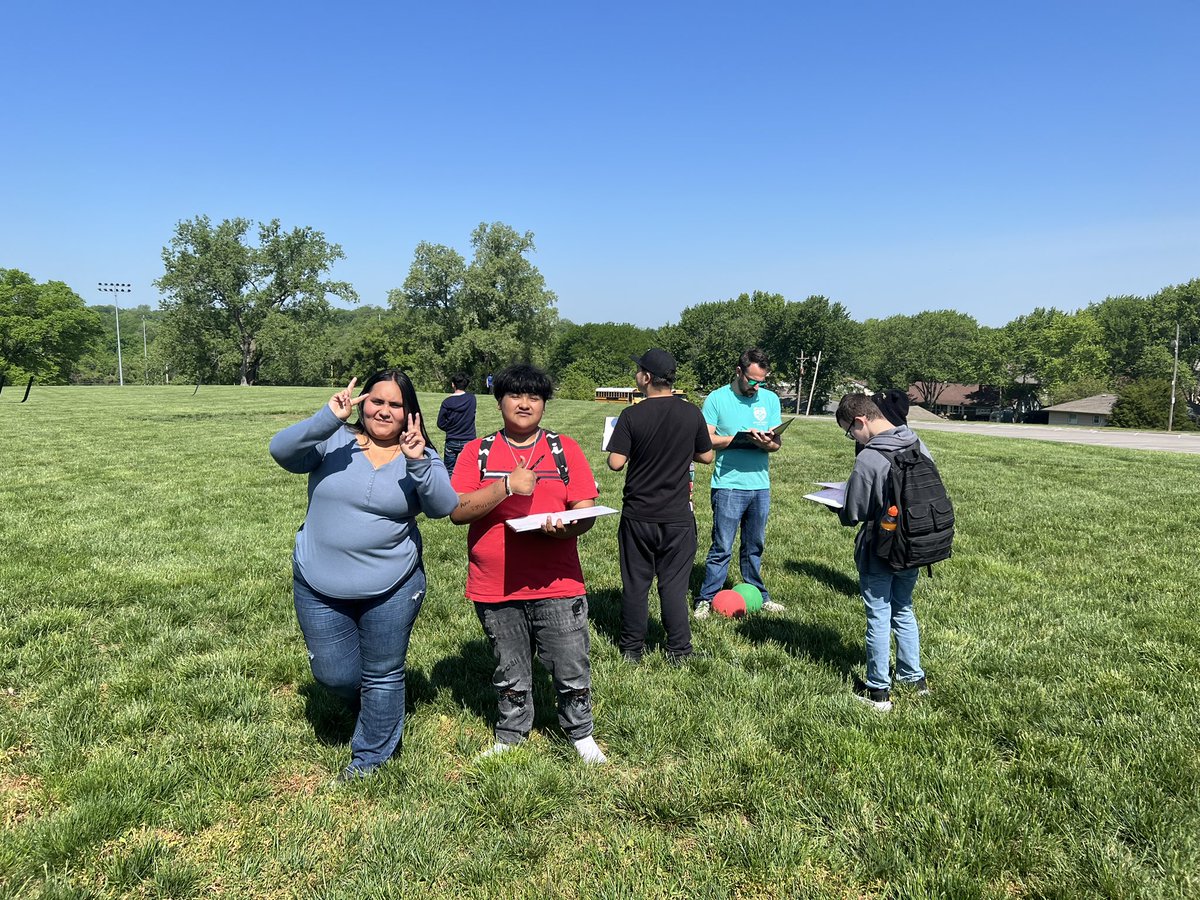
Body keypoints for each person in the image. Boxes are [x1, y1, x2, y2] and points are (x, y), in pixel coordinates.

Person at [269, 370, 459, 780]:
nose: (384, 411)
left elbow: (444, 505)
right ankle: (372, 702)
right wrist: (328, 417)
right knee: (334, 675)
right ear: (362, 403)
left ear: (410, 412)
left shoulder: (421, 455)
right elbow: (280, 451)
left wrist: (418, 461)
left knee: (384, 672)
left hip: (392, 584)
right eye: (377, 401)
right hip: (319, 581)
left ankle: (371, 758)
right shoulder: (333, 442)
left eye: (395, 404)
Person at [449, 363, 607, 763]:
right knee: (509, 666)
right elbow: (457, 510)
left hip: (558, 579)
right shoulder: (477, 451)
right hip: (495, 581)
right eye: (515, 396)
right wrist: (505, 486)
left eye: (533, 397)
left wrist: (568, 528)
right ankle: (511, 733)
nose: (524, 404)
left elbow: (585, 508)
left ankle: (581, 734)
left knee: (571, 661)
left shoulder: (564, 448)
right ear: (499, 401)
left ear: (544, 404)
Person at [606, 349, 713, 663]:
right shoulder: (691, 412)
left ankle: (631, 649)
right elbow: (707, 456)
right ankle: (679, 649)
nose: (636, 376)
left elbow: (615, 463)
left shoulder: (631, 415)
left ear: (647, 378)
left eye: (638, 371)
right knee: (674, 587)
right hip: (678, 516)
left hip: (638, 515)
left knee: (636, 585)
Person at [833, 393, 931, 712]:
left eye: (850, 432)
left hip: (881, 545)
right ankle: (913, 679)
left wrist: (840, 508)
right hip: (914, 543)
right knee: (903, 608)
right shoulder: (916, 442)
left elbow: (854, 511)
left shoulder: (870, 458)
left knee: (878, 614)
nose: (853, 438)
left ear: (860, 421)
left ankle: (878, 691)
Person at [695, 348, 787, 618]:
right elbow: (706, 439)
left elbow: (776, 445)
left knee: (754, 544)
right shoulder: (716, 399)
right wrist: (736, 439)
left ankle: (758, 593)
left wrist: (767, 443)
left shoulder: (769, 400)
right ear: (739, 372)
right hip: (728, 484)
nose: (757, 386)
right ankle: (706, 597)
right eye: (752, 380)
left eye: (762, 381)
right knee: (722, 545)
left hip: (760, 485)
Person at [437, 373, 477, 475]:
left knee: (449, 470)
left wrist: (450, 428)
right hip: (469, 439)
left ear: (453, 385)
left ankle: (449, 490)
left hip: (452, 440)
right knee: (469, 470)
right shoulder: (471, 399)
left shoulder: (447, 402)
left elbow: (440, 423)